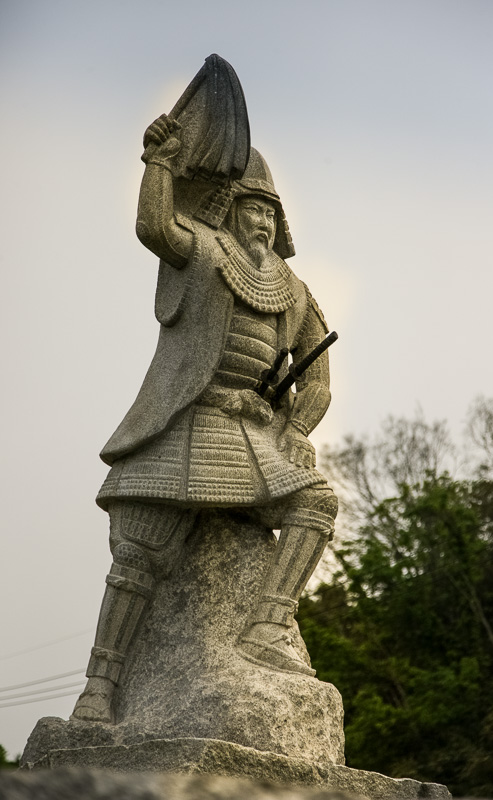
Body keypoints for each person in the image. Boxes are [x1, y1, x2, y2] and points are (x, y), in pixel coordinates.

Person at [71, 113, 338, 723]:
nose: (263, 222)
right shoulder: (202, 251)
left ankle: (267, 627)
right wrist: (159, 164)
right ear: (229, 209)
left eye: (271, 213)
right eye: (252, 209)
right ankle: (101, 687)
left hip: (254, 433)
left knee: (315, 502)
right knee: (138, 554)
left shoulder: (294, 291)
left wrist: (296, 429)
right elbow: (154, 226)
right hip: (186, 422)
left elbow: (317, 375)